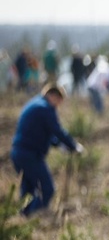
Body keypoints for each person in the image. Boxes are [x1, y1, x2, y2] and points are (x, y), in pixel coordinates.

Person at [10, 83, 84, 216]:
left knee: (28, 190)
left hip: (18, 152)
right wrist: (74, 146)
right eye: (59, 101)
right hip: (30, 155)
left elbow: (44, 133)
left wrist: (60, 145)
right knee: (47, 188)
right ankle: (34, 216)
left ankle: (24, 217)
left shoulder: (34, 104)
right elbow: (57, 131)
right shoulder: (45, 109)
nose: (58, 105)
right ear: (54, 96)